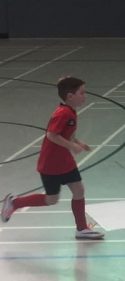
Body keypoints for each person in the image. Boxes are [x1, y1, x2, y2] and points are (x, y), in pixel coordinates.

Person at [2, 76, 103, 239]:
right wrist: (72, 146)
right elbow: (52, 135)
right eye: (82, 93)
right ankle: (15, 203)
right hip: (51, 163)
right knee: (51, 200)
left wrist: (78, 142)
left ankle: (81, 228)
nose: (85, 96)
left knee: (79, 190)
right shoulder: (62, 113)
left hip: (65, 161)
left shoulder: (71, 111)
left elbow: (66, 133)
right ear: (70, 96)